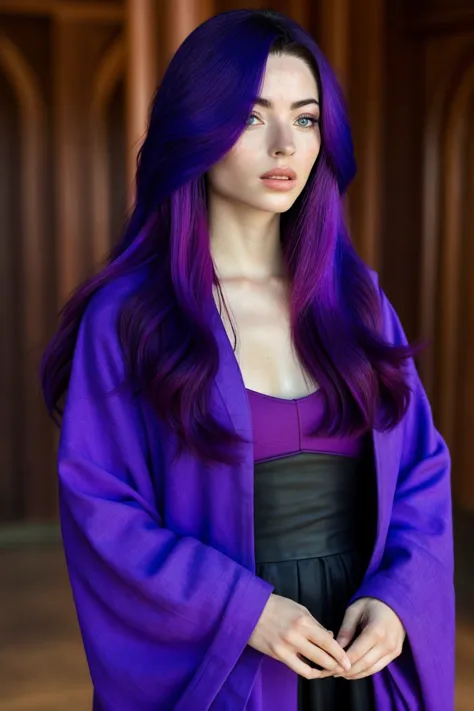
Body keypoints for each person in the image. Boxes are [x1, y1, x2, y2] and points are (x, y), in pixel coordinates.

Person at [40, 9, 455, 711]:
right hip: (230, 656)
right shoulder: (129, 317)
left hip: (355, 651)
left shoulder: (357, 301)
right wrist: (246, 610)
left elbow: (420, 467)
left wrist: (398, 598)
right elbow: (102, 508)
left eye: (305, 118)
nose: (283, 145)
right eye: (252, 116)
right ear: (198, 127)